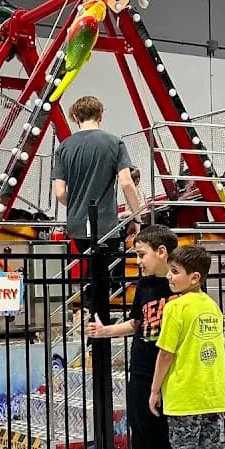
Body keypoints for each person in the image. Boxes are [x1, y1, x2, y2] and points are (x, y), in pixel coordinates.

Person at [87, 224, 179, 449]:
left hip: (173, 371)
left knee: (167, 431)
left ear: (161, 252)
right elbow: (137, 324)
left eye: (142, 254)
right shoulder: (144, 285)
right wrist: (105, 331)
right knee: (142, 431)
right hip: (143, 368)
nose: (138, 261)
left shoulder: (180, 285)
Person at [148, 245, 225, 449]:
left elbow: (166, 354)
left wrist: (155, 390)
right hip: (212, 395)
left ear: (194, 277)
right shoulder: (211, 306)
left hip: (185, 396)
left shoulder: (175, 308)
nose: (169, 277)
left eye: (174, 272)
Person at [52, 96, 142, 315]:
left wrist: (75, 206)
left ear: (75, 117)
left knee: (91, 274)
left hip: (78, 224)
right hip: (105, 224)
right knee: (103, 278)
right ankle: (99, 331)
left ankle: (90, 320)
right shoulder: (114, 143)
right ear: (101, 115)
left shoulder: (63, 148)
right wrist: (137, 216)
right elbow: (126, 182)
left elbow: (60, 192)